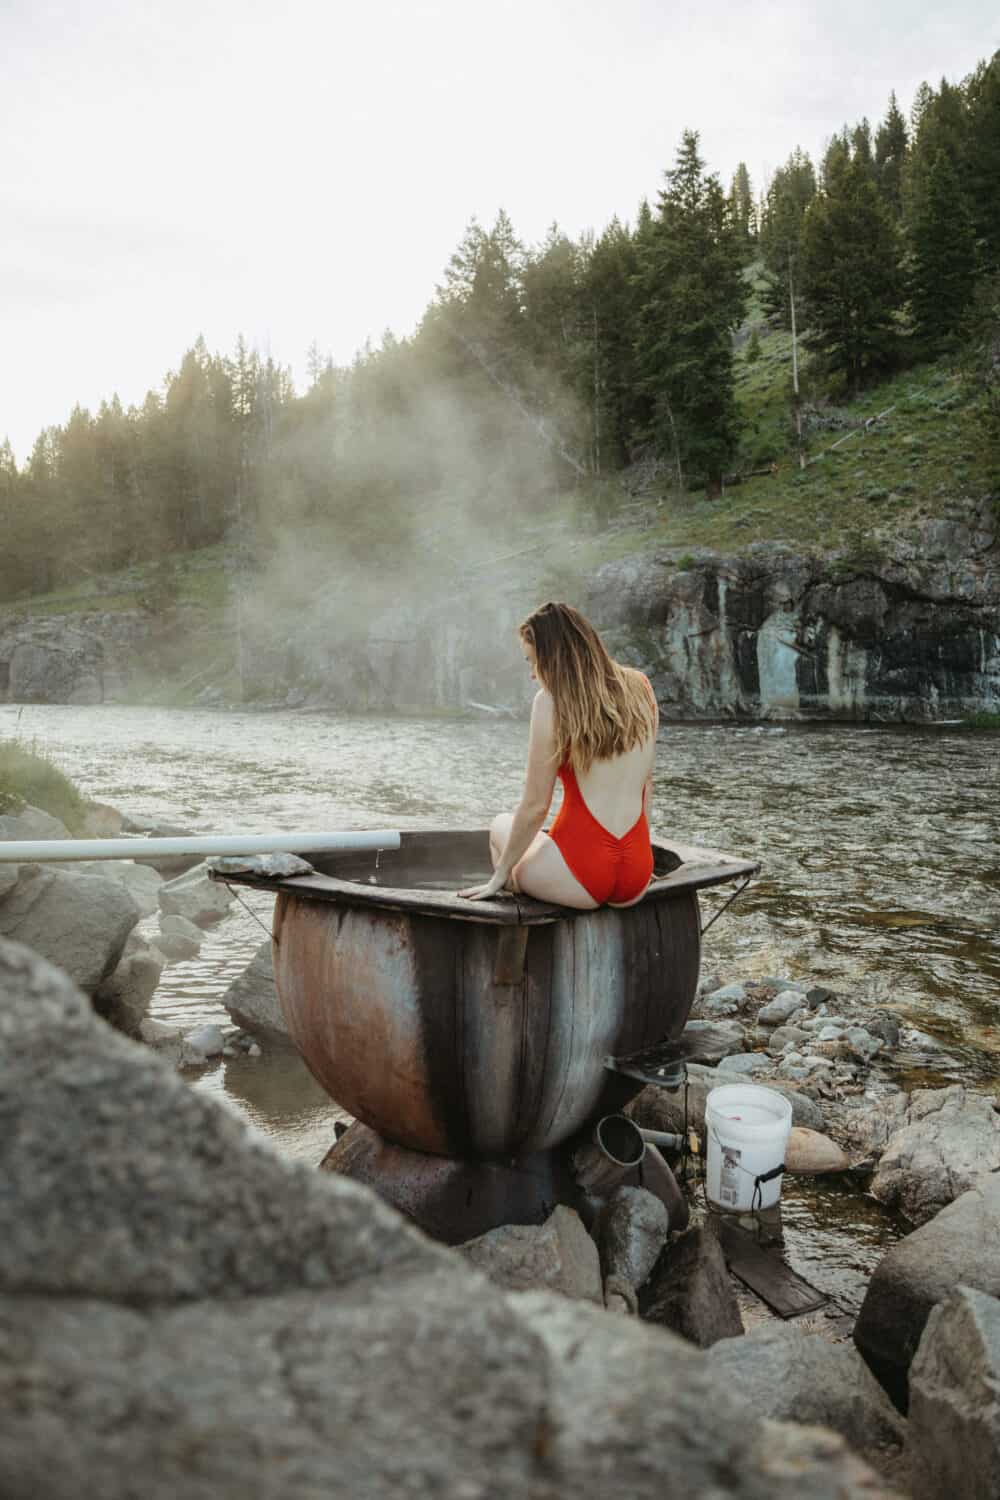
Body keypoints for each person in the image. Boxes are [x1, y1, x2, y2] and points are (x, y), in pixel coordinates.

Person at [459, 601, 658, 908]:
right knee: (537, 842)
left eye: (532, 661)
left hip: (583, 874)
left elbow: (536, 805)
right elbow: (646, 784)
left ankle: (509, 888)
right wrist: (641, 857)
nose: (532, 675)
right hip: (637, 874)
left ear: (553, 659)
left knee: (500, 825)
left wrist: (500, 874)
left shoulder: (549, 703)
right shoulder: (641, 686)